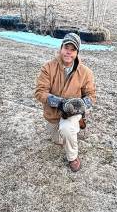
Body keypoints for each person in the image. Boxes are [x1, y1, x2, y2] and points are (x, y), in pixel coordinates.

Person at [35, 33, 96, 172]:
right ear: (61, 48)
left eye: (73, 49)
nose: (68, 52)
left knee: (67, 129)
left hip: (72, 114)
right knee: (58, 140)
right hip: (53, 114)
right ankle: (74, 129)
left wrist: (80, 104)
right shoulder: (48, 67)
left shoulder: (86, 72)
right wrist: (60, 103)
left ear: (77, 52)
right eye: (66, 47)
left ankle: (73, 157)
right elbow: (40, 92)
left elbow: (91, 96)